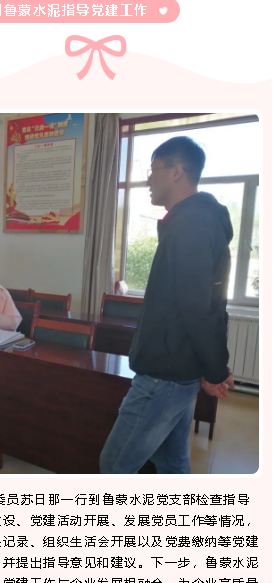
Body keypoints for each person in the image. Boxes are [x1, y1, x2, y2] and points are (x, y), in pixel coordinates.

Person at [100, 136, 234, 474]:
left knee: (114, 465)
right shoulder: (193, 220)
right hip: (177, 371)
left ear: (177, 172)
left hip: (164, 376)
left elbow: (200, 308)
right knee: (173, 462)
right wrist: (212, 368)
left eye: (153, 170)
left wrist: (215, 370)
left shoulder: (191, 224)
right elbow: (203, 302)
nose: (148, 179)